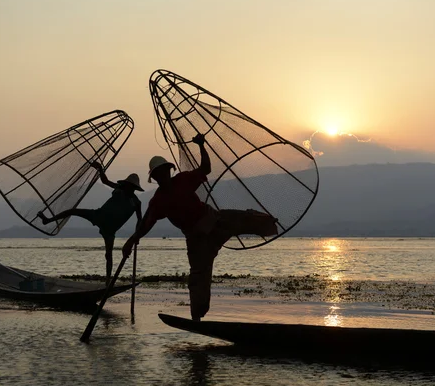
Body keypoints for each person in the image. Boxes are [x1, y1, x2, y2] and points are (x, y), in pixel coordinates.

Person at [122, 134, 278, 321]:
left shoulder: (183, 179)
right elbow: (146, 225)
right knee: (198, 278)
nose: (162, 175)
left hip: (214, 220)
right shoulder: (158, 201)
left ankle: (272, 225)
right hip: (197, 238)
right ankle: (197, 318)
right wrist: (131, 241)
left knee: (246, 218)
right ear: (154, 177)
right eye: (158, 174)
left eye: (164, 171)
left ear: (169, 171)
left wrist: (202, 145)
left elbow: (206, 168)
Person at [38, 161, 143, 281]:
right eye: (128, 185)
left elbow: (139, 220)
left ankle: (108, 281)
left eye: (131, 186)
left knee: (109, 255)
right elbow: (105, 181)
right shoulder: (119, 188)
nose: (128, 188)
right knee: (73, 211)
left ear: (134, 188)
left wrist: (136, 236)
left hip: (110, 229)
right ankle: (48, 220)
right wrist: (100, 169)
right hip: (99, 215)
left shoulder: (136, 203)